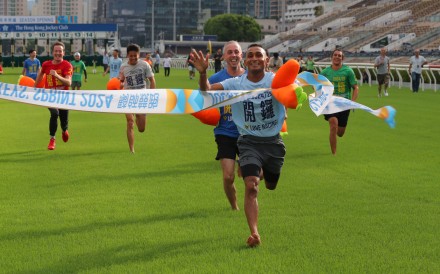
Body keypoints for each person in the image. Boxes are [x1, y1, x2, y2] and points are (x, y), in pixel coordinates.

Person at [190, 44, 287, 247]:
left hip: (273, 142)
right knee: (251, 185)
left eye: (258, 55)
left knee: (271, 184)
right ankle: (254, 233)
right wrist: (202, 73)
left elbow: (295, 91)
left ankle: (265, 172)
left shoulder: (275, 80)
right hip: (248, 140)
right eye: (250, 55)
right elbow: (206, 91)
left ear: (266, 60)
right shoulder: (235, 83)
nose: (254, 58)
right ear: (246, 59)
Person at [207, 41, 246, 211]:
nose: (233, 55)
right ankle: (235, 207)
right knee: (228, 177)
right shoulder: (215, 79)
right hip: (225, 132)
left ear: (241, 55)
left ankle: (243, 167)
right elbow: (203, 96)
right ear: (223, 56)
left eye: (236, 52)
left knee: (251, 176)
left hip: (248, 132)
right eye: (229, 52)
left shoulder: (251, 77)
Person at [34, 41, 73, 150]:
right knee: (54, 113)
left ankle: (64, 130)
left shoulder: (67, 65)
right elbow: (40, 75)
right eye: (56, 51)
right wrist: (34, 87)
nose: (58, 53)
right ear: (52, 52)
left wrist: (56, 75)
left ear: (63, 52)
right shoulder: (46, 64)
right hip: (49, 96)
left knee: (64, 122)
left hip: (64, 97)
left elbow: (68, 83)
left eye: (60, 51)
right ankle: (52, 139)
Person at [118, 43, 156, 153]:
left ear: (139, 55)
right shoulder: (123, 67)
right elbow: (120, 80)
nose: (133, 57)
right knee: (130, 123)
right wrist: (119, 85)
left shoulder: (144, 65)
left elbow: (152, 80)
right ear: (127, 56)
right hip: (128, 97)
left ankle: (138, 115)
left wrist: (152, 95)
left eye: (135, 55)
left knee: (141, 129)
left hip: (142, 97)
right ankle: (131, 150)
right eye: (131, 56)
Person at [320, 49, 358, 155]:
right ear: (331, 57)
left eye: (339, 56)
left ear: (342, 58)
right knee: (333, 123)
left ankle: (335, 133)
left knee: (340, 133)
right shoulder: (325, 72)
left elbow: (355, 87)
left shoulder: (348, 71)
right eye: (335, 55)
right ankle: (334, 154)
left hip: (344, 104)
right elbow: (318, 87)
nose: (337, 57)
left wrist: (353, 102)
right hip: (330, 104)